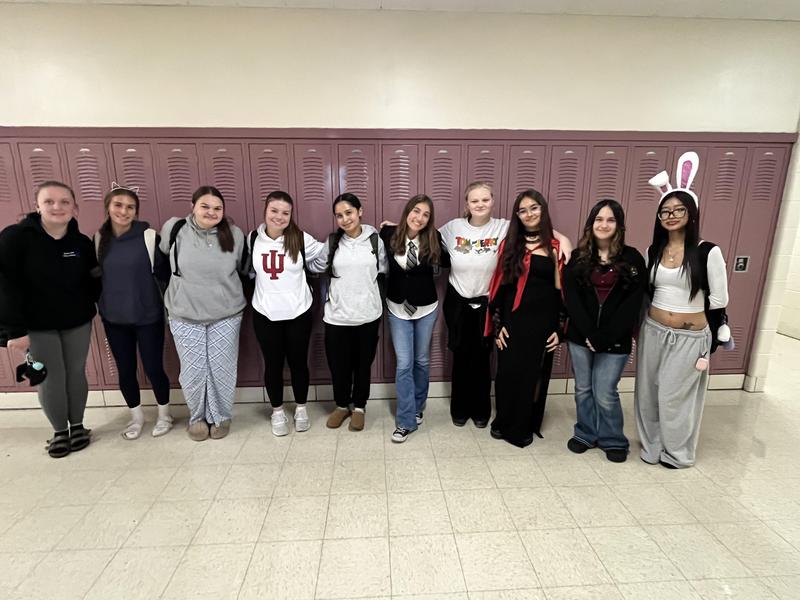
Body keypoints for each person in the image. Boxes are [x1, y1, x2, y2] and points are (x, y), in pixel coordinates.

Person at [439, 181, 573, 429]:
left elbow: (535, 225)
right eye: (474, 200)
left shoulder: (503, 227)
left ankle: (480, 410)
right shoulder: (452, 228)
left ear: (492, 201)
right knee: (459, 355)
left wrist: (562, 237)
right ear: (466, 204)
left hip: (487, 300)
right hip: (458, 300)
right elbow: (425, 234)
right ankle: (459, 407)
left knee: (482, 358)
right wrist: (395, 227)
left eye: (485, 200)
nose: (480, 204)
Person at [636, 152, 729, 468]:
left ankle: (677, 452)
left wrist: (714, 339)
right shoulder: (654, 250)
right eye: (665, 211)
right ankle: (651, 445)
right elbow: (650, 291)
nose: (671, 215)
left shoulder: (707, 252)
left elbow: (718, 299)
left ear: (692, 214)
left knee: (675, 397)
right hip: (655, 330)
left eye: (678, 210)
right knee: (648, 392)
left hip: (690, 338)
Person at [0, 181, 100, 458]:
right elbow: (4, 285)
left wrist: (94, 302)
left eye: (64, 202)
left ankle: (78, 425)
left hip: (77, 321)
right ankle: (59, 431)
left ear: (74, 208)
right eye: (50, 201)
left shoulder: (80, 242)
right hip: (36, 325)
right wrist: (12, 330)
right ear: (37, 206)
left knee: (76, 372)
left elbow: (93, 277)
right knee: (50, 377)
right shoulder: (15, 238)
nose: (57, 207)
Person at [160, 185, 247, 441]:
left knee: (222, 368)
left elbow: (241, 266)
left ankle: (221, 416)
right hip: (184, 312)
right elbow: (163, 258)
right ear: (193, 207)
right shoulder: (175, 229)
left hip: (227, 312)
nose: (211, 212)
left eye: (217, 208)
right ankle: (197, 417)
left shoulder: (234, 234)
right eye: (205, 206)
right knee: (193, 369)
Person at [562, 199, 646, 462]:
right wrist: (590, 334)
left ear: (618, 225)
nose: (604, 224)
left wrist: (606, 337)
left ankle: (613, 439)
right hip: (581, 337)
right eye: (599, 219)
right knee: (583, 388)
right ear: (591, 224)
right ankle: (586, 432)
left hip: (615, 339)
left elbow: (633, 304)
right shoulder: (578, 257)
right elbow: (572, 300)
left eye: (610, 220)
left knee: (605, 391)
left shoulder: (632, 258)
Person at [486, 189, 564, 447]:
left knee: (532, 375)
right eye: (522, 210)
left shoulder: (556, 245)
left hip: (541, 324)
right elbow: (501, 288)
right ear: (516, 215)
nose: (529, 213)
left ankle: (523, 425)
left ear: (543, 209)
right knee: (507, 373)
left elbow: (560, 292)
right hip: (513, 322)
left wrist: (558, 328)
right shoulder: (510, 245)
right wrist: (499, 326)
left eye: (534, 208)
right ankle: (503, 420)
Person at [95, 184, 173, 440]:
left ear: (137, 211)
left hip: (147, 316)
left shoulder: (149, 237)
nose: (124, 211)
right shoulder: (97, 240)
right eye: (118, 205)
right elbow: (93, 280)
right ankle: (136, 417)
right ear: (108, 207)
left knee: (153, 367)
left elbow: (166, 276)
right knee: (126, 370)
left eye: (130, 207)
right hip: (114, 319)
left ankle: (164, 415)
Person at [249, 191, 327, 437]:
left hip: (298, 312)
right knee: (272, 365)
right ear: (265, 210)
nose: (279, 217)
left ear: (291, 215)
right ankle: (277, 411)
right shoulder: (253, 238)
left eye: (285, 213)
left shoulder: (300, 238)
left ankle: (301, 408)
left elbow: (326, 254)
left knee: (298, 363)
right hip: (265, 313)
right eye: (274, 211)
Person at [381, 194, 449, 443]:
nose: (419, 218)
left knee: (421, 361)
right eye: (416, 211)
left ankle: (419, 405)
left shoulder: (434, 238)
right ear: (408, 211)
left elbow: (449, 262)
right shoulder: (388, 234)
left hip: (426, 308)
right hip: (398, 307)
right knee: (404, 363)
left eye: (426, 214)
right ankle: (406, 421)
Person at [324, 193, 388, 432]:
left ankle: (359, 406)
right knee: (338, 366)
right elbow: (318, 266)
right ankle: (341, 405)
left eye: (349, 212)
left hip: (367, 315)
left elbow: (385, 270)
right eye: (339, 215)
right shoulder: (332, 242)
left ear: (360, 211)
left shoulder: (375, 241)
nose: (344, 219)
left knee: (363, 365)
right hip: (337, 316)